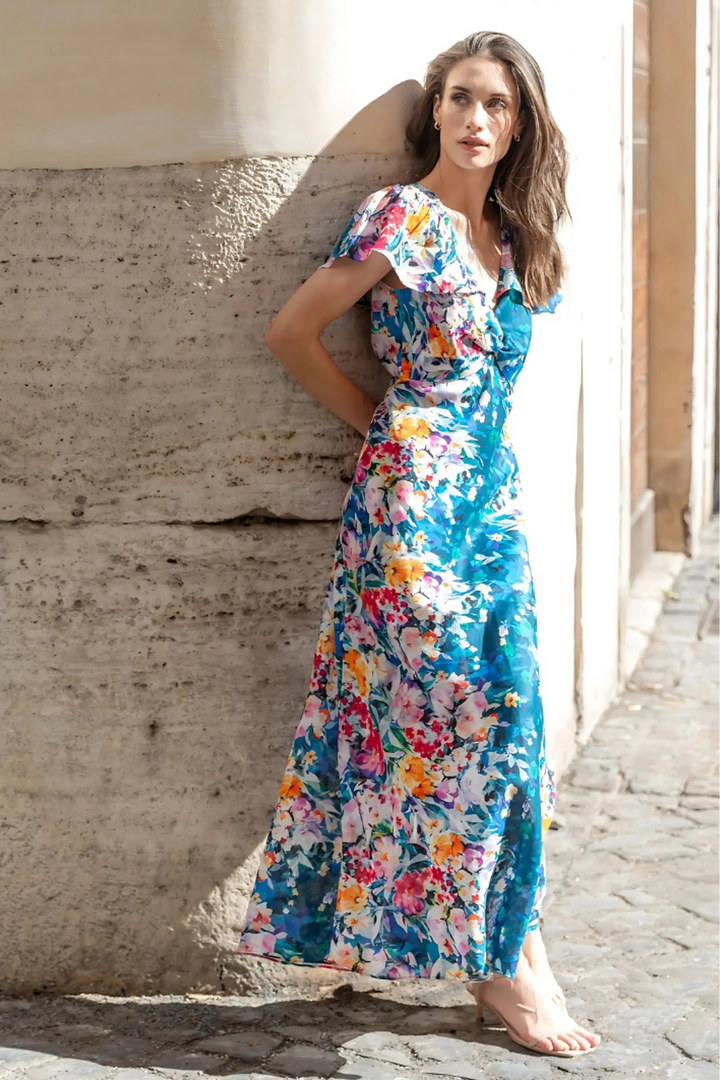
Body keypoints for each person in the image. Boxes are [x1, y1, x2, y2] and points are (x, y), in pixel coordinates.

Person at [236, 30, 601, 1060]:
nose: (478, 121)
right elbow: (292, 332)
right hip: (410, 513)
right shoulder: (402, 219)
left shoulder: (518, 242)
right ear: (434, 113)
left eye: (498, 105)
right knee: (452, 725)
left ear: (521, 123)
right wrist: (385, 429)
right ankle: (506, 968)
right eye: (461, 101)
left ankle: (509, 943)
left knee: (514, 724)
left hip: (493, 508)